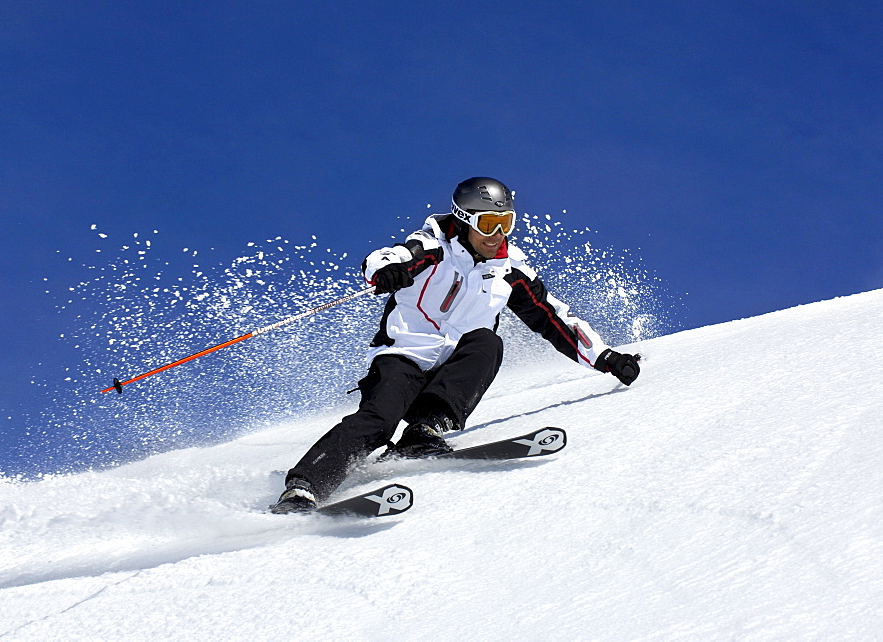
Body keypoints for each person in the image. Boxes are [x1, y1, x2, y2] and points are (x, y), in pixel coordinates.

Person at [270, 177, 641, 513]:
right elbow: (389, 257)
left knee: (487, 342)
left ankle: (424, 431)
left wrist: (605, 357)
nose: (497, 234)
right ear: (464, 220)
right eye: (487, 224)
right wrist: (387, 270)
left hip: (453, 370)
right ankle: (303, 487)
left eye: (505, 224)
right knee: (377, 422)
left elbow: (554, 318)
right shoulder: (433, 248)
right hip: (403, 357)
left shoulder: (508, 270)